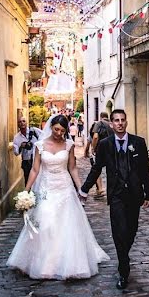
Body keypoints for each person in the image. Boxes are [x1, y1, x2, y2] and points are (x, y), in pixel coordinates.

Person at [7, 115, 109, 279]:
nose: (59, 133)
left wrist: (81, 188)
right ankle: (44, 262)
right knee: (45, 223)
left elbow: (73, 168)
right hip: (46, 188)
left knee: (67, 225)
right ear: (51, 127)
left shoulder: (68, 144)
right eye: (56, 129)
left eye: (62, 130)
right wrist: (26, 190)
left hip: (65, 188)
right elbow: (35, 170)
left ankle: (68, 262)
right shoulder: (40, 145)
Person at [79, 109, 149, 290]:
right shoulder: (105, 144)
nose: (119, 123)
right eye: (116, 120)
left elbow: (144, 170)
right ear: (111, 124)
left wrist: (148, 194)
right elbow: (97, 169)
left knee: (131, 230)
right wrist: (84, 189)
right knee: (119, 231)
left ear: (126, 122)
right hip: (116, 195)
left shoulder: (138, 143)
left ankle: (123, 256)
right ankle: (123, 269)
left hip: (134, 194)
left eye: (122, 120)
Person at [84, 113, 111, 199]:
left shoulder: (98, 124)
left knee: (97, 169)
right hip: (111, 150)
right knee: (112, 170)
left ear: (101, 117)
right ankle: (111, 190)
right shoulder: (112, 124)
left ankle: (99, 189)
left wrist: (93, 149)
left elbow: (95, 137)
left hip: (100, 151)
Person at [12, 118, 42, 185]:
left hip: (37, 160)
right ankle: (29, 195)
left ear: (26, 122)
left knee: (39, 180)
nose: (22, 123)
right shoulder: (17, 137)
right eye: (19, 122)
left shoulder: (34, 131)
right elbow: (16, 152)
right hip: (27, 162)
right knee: (28, 181)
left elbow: (44, 138)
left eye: (23, 121)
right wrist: (21, 146)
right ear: (18, 125)